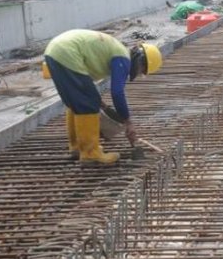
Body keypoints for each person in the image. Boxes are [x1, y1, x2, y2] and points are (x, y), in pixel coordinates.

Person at [43, 30, 162, 165]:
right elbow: (117, 92)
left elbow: (87, 88)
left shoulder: (115, 50)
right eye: (142, 71)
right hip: (67, 53)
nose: (140, 74)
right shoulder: (123, 58)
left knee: (76, 102)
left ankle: (77, 148)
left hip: (55, 52)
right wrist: (128, 121)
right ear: (141, 61)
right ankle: (90, 153)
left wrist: (102, 104)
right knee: (88, 104)